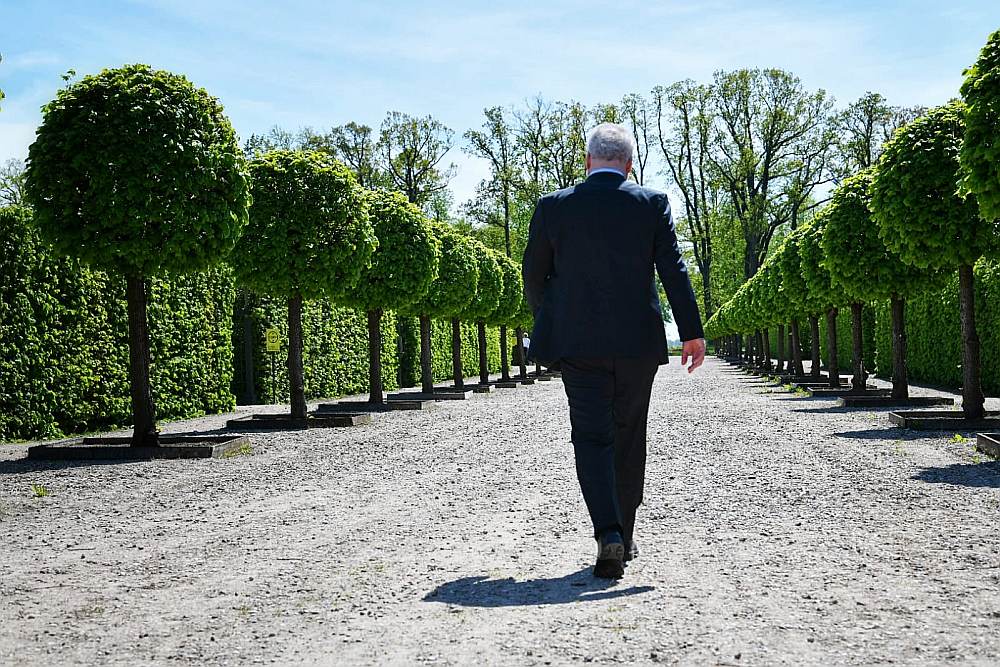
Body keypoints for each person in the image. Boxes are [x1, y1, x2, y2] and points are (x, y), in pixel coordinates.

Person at [522, 122, 705, 579]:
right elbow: (673, 271)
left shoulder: (553, 207)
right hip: (637, 345)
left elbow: (533, 275)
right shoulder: (651, 204)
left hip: (579, 346)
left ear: (588, 162)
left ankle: (609, 533)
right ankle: (625, 527)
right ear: (629, 164)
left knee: (590, 437)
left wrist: (556, 316)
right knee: (629, 435)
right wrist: (691, 331)